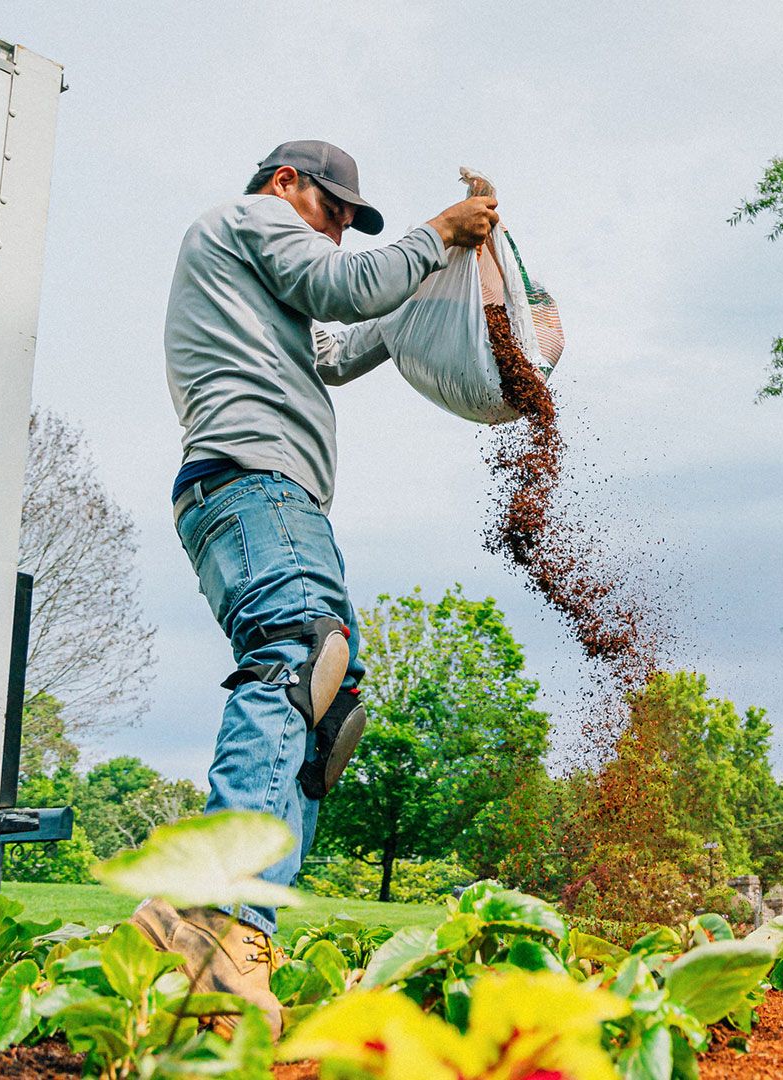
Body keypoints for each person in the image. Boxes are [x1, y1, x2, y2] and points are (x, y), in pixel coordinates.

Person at [130, 140, 498, 1032]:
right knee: (297, 655)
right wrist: (438, 228)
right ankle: (219, 915)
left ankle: (212, 933)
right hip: (251, 482)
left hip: (268, 495)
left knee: (327, 708)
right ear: (284, 183)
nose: (336, 236)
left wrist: (441, 283)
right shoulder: (246, 215)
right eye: (331, 214)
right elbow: (341, 287)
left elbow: (337, 343)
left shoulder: (267, 285)